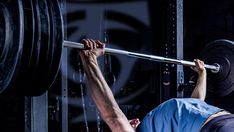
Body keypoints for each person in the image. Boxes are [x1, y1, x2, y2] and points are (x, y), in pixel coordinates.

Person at [79, 39, 234, 132]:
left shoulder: (162, 125)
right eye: (128, 123)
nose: (132, 120)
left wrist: (202, 74)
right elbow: (112, 115)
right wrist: (90, 60)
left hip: (226, 119)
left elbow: (196, 101)